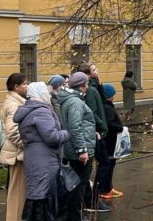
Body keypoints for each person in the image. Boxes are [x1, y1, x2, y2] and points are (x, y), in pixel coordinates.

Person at [14, 82, 70, 221]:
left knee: (36, 195)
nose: (48, 94)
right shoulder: (41, 111)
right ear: (39, 93)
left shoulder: (30, 110)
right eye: (45, 91)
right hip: (45, 160)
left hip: (35, 157)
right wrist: (67, 133)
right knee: (43, 197)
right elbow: (52, 137)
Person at [56, 72, 97, 221]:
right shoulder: (75, 102)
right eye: (86, 84)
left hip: (72, 148)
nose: (88, 86)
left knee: (75, 184)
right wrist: (82, 150)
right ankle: (74, 217)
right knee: (78, 185)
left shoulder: (70, 100)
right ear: (82, 86)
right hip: (78, 151)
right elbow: (75, 127)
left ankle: (73, 215)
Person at [76, 62, 110, 213]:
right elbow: (90, 112)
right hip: (94, 132)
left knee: (100, 165)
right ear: (88, 75)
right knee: (102, 164)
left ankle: (92, 198)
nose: (98, 70)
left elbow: (104, 101)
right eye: (95, 69)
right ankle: (92, 199)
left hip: (98, 130)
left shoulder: (94, 87)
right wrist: (100, 126)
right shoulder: (88, 90)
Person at [0, 72, 28, 221]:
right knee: (17, 193)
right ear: (16, 87)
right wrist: (26, 144)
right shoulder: (14, 104)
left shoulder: (15, 101)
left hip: (16, 153)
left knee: (18, 192)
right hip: (16, 155)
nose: (26, 86)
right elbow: (12, 130)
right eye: (24, 84)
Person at [98, 84, 125, 200]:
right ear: (110, 95)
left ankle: (108, 187)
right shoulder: (107, 108)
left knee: (110, 164)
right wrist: (120, 128)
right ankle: (104, 189)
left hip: (110, 140)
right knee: (108, 164)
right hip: (110, 141)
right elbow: (109, 124)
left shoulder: (106, 106)